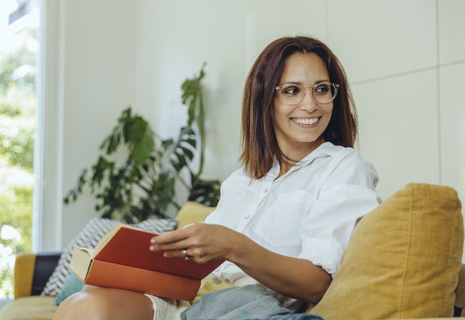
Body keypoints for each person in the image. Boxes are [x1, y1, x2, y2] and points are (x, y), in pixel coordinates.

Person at [54, 36, 380, 320]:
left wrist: (233, 245)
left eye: (322, 89)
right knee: (78, 303)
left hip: (236, 306)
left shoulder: (343, 167)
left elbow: (316, 282)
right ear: (266, 101)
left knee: (86, 309)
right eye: (292, 90)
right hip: (186, 294)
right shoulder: (243, 179)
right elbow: (202, 260)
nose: (310, 104)